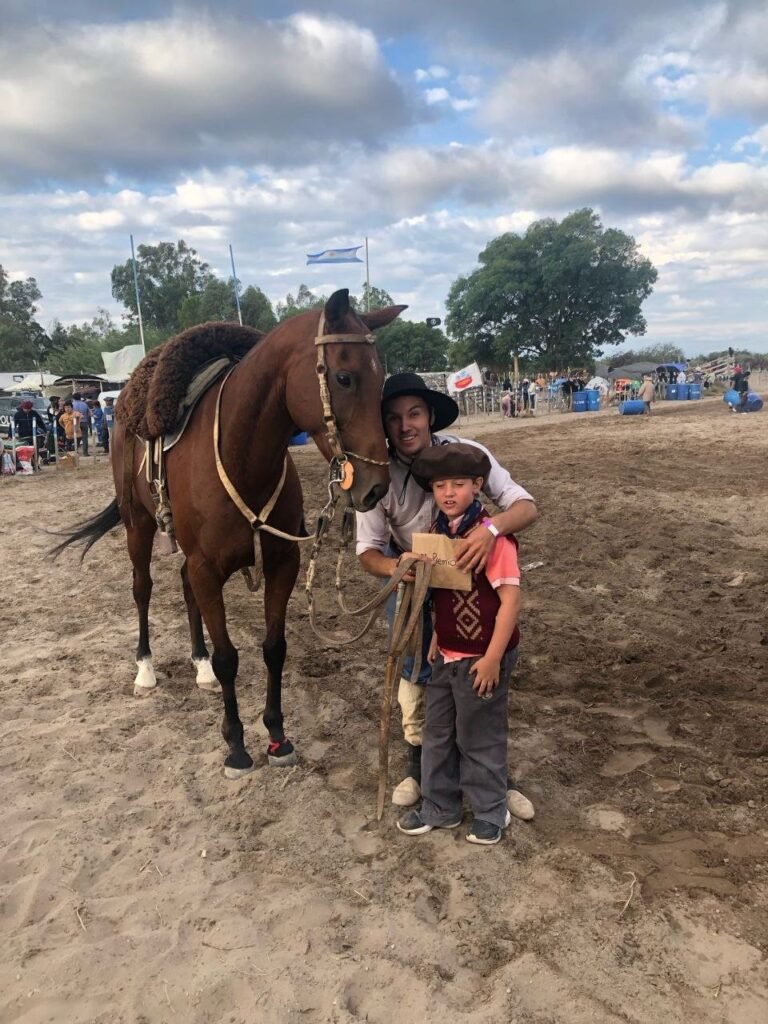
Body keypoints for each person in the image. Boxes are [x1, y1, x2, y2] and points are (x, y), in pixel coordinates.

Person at [356, 372, 537, 820]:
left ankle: (493, 777)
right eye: (394, 418)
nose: (406, 426)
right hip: (414, 580)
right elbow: (367, 551)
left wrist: (490, 530)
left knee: (479, 678)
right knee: (417, 672)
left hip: (474, 581)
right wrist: (400, 568)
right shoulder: (376, 473)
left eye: (414, 414)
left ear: (430, 416)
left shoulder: (467, 454)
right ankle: (420, 766)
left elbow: (525, 506)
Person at [396, 443, 521, 845]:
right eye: (440, 485)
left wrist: (493, 657)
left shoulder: (494, 540)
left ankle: (490, 809)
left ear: (477, 485)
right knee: (438, 732)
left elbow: (510, 601)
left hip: (481, 656)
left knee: (478, 734)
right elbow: (442, 596)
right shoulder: (437, 535)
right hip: (447, 653)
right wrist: (437, 636)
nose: (448, 493)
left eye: (458, 484)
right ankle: (440, 805)